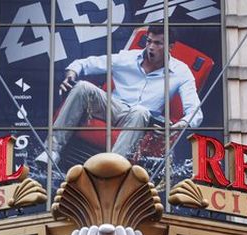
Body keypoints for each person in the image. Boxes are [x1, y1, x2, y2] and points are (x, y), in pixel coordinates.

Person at [35, 25, 203, 166]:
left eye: (158, 43)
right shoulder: (128, 58)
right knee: (83, 87)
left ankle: (112, 166)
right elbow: (85, 63)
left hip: (140, 118)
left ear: (170, 47)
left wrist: (179, 125)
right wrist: (70, 75)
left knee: (140, 111)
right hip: (112, 106)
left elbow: (195, 111)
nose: (151, 47)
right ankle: (52, 151)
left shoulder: (181, 72)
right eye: (149, 41)